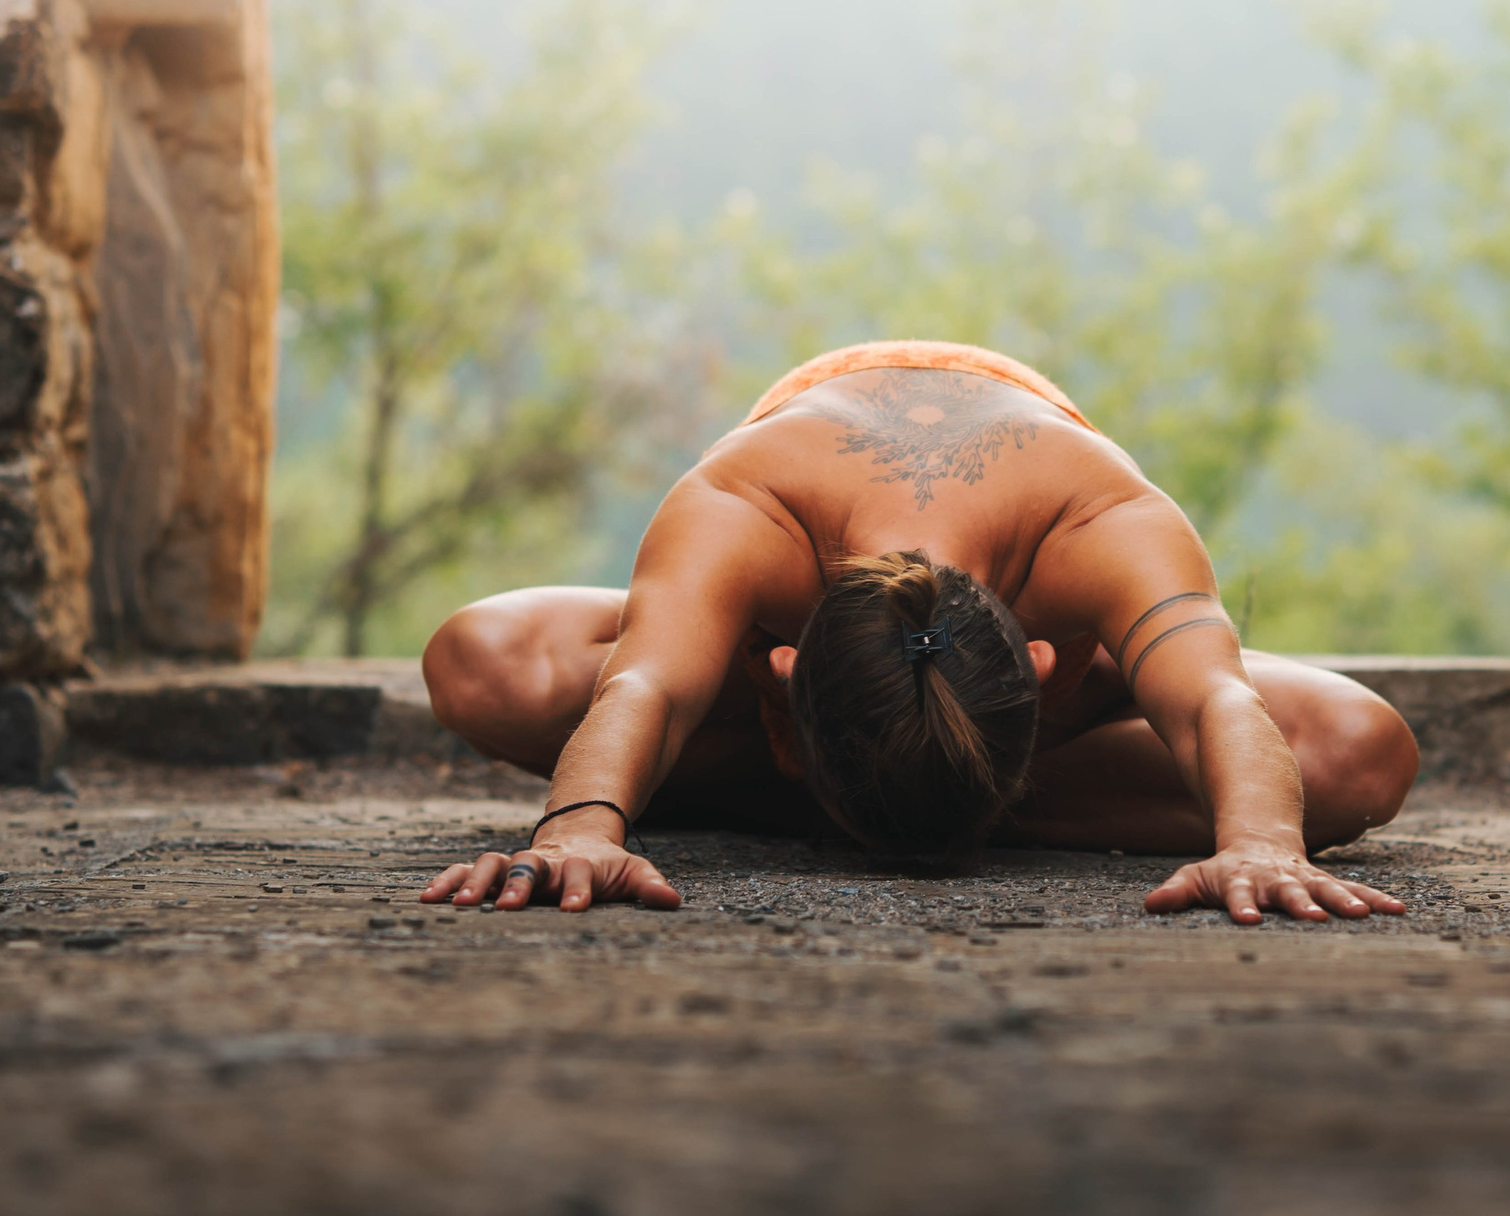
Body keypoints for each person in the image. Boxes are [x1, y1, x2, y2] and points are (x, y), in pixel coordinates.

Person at [420, 341, 1422, 925]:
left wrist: (1259, 844)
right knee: (486, 662)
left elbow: (1214, 695)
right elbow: (646, 682)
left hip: (953, 705)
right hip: (784, 645)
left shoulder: (1099, 522)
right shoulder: (749, 504)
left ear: (1041, 667)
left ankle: (868, 794)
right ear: (783, 666)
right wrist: (578, 828)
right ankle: (924, 792)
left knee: (1352, 752)